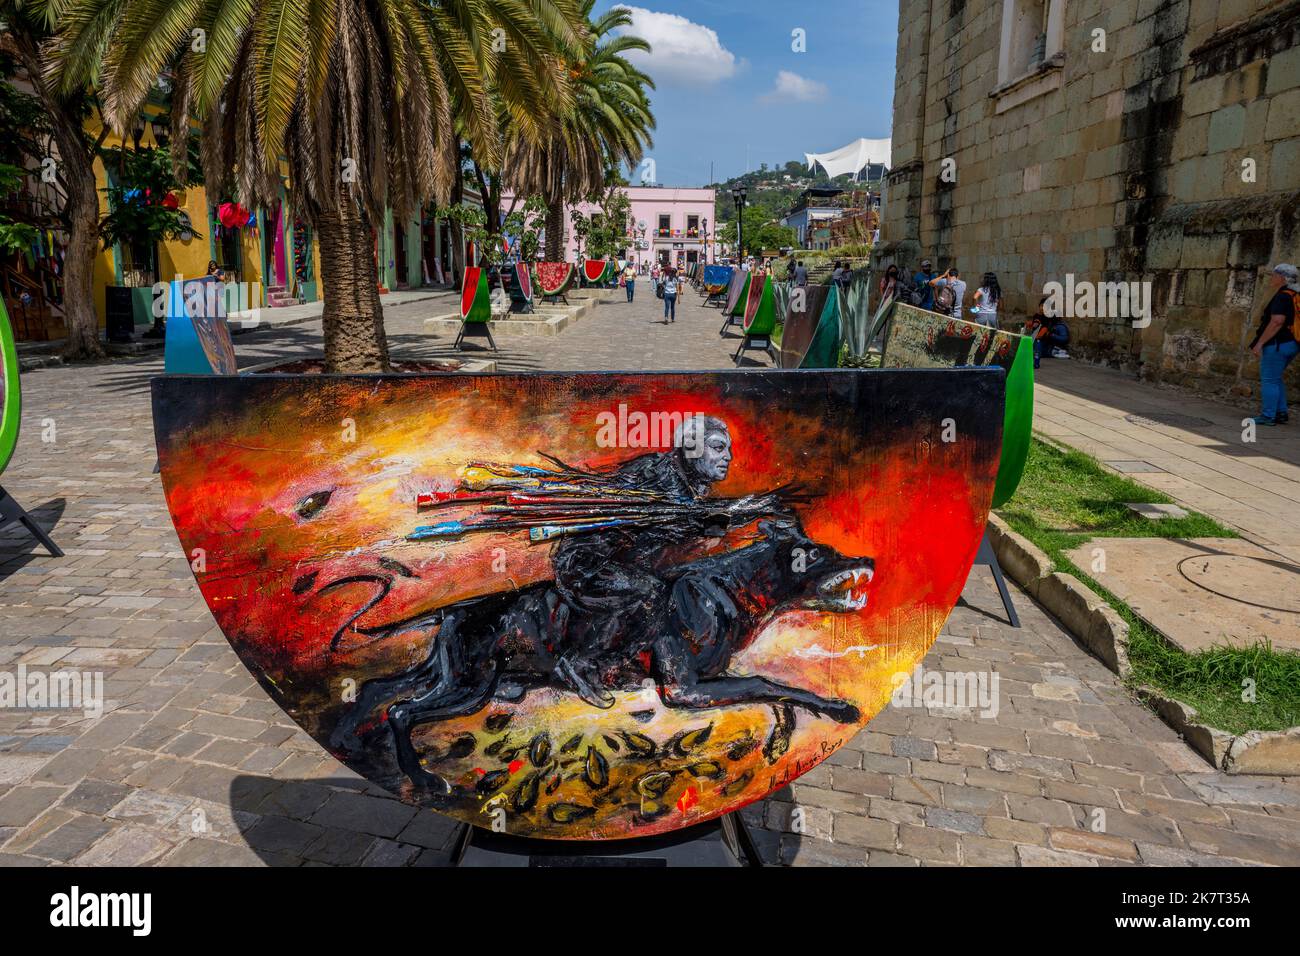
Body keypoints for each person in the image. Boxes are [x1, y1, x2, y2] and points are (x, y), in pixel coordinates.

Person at [1250, 263, 1300, 426]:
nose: (1272, 277)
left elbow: (1277, 322)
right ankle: (1281, 412)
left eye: (1274, 275)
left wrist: (1260, 343)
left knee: (1269, 379)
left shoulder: (1282, 296)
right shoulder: (1295, 295)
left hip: (1278, 344)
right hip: (1293, 343)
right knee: (1275, 377)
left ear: (1282, 278)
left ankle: (1268, 415)